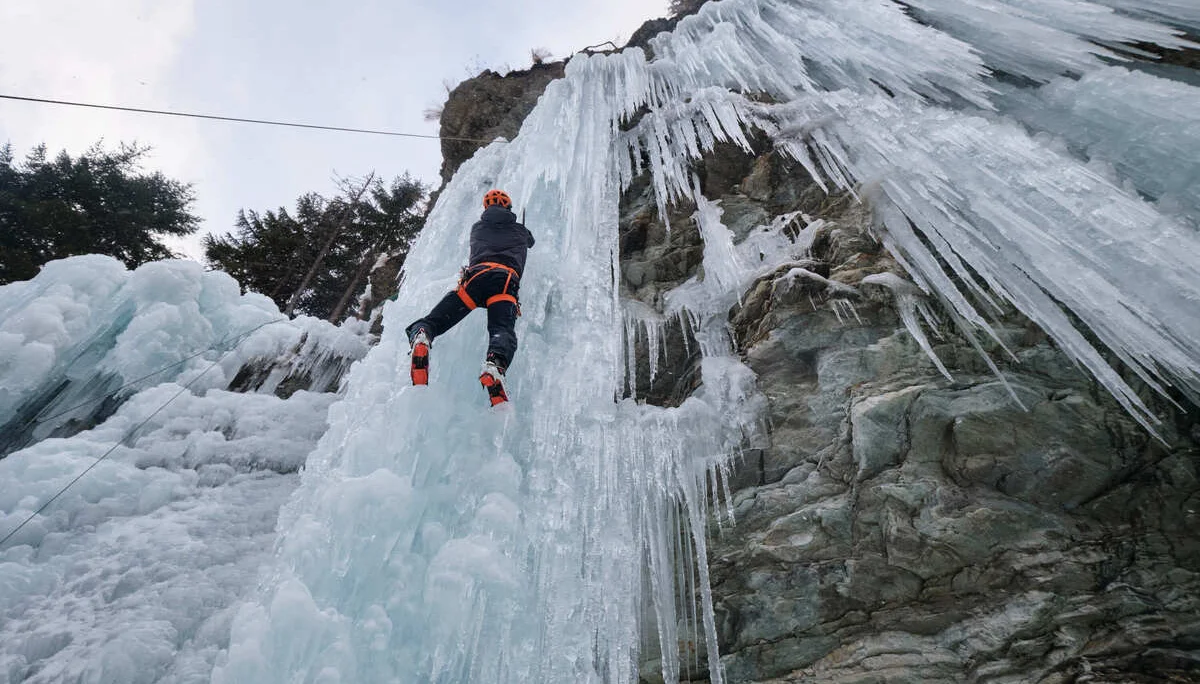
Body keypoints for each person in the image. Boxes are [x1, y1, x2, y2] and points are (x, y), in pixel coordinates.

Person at [405, 189, 535, 405]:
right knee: (501, 330)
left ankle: (422, 336)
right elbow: (530, 242)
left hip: (474, 280)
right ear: (508, 208)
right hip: (503, 283)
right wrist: (521, 228)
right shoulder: (520, 231)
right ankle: (495, 364)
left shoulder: (478, 228)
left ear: (486, 208)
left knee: (434, 321)